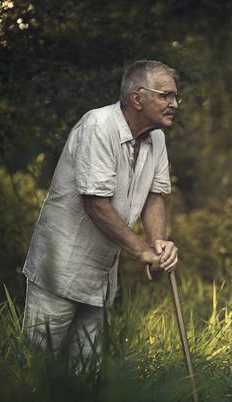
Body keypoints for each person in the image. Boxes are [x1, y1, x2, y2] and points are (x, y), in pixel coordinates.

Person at [21, 60, 180, 368]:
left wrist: (158, 244)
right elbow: (96, 205)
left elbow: (153, 197)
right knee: (37, 373)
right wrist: (141, 251)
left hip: (101, 277)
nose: (174, 104)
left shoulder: (156, 138)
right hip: (60, 270)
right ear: (137, 98)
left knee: (85, 378)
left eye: (175, 97)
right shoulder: (98, 126)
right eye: (166, 95)